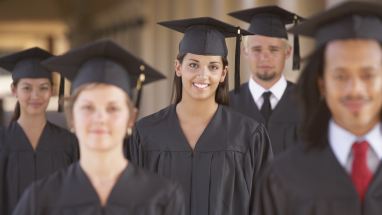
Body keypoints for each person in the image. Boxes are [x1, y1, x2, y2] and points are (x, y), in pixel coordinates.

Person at [13, 40, 185, 215]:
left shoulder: (163, 198)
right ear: (71, 116)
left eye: (113, 108)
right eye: (88, 107)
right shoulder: (40, 199)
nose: (100, 118)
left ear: (131, 118)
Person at [127, 17, 273, 215]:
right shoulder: (145, 134)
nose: (203, 76)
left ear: (223, 73)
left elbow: (267, 206)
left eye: (213, 66)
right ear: (178, 67)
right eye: (193, 65)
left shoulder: (249, 136)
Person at [256, 1, 382, 214]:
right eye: (340, 76)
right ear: (321, 83)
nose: (355, 90)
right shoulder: (283, 177)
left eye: (368, 75)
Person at [0, 47, 79, 215]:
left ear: (52, 91)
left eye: (43, 88)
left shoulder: (68, 142)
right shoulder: (2, 141)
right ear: (14, 90)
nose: (35, 95)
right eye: (27, 88)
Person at [228, 6, 303, 155]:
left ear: (287, 52)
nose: (264, 57)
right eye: (256, 49)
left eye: (274, 50)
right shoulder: (227, 105)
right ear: (245, 51)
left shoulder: (307, 101)